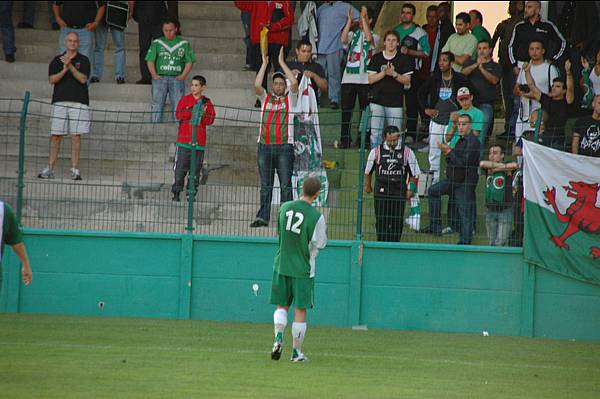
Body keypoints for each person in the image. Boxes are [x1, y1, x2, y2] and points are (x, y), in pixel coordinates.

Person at [269, 176, 327, 363]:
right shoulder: (316, 217)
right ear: (318, 194)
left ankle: (278, 338)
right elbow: (321, 243)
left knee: (281, 305)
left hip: (282, 264)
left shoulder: (284, 207)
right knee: (300, 309)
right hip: (303, 268)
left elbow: (280, 233)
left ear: (301, 189)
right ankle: (296, 353)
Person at [251, 48, 299, 228]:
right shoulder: (265, 98)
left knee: (286, 185)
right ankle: (262, 217)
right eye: (276, 83)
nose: (278, 86)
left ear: (284, 87)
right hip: (264, 146)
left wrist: (282, 63)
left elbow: (294, 83)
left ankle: (288, 219)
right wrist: (264, 64)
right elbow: (257, 86)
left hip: (285, 147)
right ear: (272, 86)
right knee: (266, 185)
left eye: (281, 83)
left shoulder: (291, 100)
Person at [38, 32, 90, 181]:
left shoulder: (84, 60)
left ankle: (75, 169)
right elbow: (52, 79)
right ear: (65, 42)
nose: (72, 43)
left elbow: (82, 79)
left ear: (78, 43)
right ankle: (50, 168)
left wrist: (70, 66)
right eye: (70, 40)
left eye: (75, 41)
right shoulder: (56, 60)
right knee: (56, 135)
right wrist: (65, 68)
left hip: (79, 101)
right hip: (60, 101)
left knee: (76, 136)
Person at [423, 114, 480, 245]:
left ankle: (465, 241)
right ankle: (435, 226)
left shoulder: (473, 142)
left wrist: (448, 152)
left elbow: (463, 163)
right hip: (453, 179)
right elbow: (452, 160)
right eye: (459, 124)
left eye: (464, 124)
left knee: (464, 211)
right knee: (432, 191)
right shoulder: (461, 140)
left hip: (465, 182)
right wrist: (448, 153)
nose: (460, 127)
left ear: (470, 126)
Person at [417, 51, 471, 183]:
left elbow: (472, 94)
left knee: (452, 152)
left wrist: (462, 110)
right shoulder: (434, 78)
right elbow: (420, 93)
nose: (441, 63)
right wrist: (426, 109)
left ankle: (451, 181)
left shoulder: (460, 79)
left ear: (451, 63)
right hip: (436, 120)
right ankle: (434, 182)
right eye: (440, 60)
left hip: (453, 122)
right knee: (434, 153)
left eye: (445, 60)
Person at [364, 126, 420, 242]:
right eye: (390, 140)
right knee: (381, 219)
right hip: (381, 190)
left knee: (397, 220)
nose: (392, 143)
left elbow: (415, 174)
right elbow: (368, 171)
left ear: (399, 137)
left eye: (395, 140)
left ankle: (395, 244)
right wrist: (368, 185)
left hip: (399, 190)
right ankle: (381, 244)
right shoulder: (376, 151)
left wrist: (411, 189)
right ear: (384, 138)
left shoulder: (407, 152)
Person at [234, 1, 295, 108]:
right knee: (261, 68)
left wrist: (275, 26)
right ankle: (261, 98)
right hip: (261, 39)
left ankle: (283, 97)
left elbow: (290, 19)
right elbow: (241, 4)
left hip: (278, 39)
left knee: (279, 69)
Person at [172, 75, 217, 202]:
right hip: (184, 141)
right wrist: (193, 111)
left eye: (196, 85)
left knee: (195, 171)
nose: (193, 88)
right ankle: (176, 191)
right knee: (180, 169)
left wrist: (203, 114)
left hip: (199, 142)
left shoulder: (207, 102)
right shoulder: (185, 100)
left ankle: (191, 193)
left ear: (203, 87)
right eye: (192, 85)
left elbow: (210, 120)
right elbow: (178, 114)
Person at [339, 6, 377, 149]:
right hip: (349, 78)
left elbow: (368, 38)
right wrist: (349, 21)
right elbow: (343, 39)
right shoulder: (352, 35)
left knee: (364, 111)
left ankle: (364, 139)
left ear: (370, 20)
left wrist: (363, 18)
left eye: (365, 18)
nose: (361, 21)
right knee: (346, 111)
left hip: (365, 79)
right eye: (360, 18)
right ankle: (345, 139)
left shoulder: (376, 36)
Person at [367, 30, 412, 149]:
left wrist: (394, 74)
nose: (391, 43)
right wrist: (384, 73)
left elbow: (407, 80)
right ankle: (375, 160)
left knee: (396, 133)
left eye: (394, 40)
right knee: (375, 133)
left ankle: (396, 159)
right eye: (388, 40)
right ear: (384, 43)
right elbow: (370, 79)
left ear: (398, 43)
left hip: (395, 102)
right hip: (377, 101)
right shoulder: (376, 58)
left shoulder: (403, 59)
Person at [393, 3, 430, 144]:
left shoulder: (419, 32)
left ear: (413, 15)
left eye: (408, 13)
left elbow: (426, 53)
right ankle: (394, 133)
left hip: (412, 73)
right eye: (403, 12)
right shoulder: (395, 31)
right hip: (395, 72)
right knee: (395, 102)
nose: (405, 15)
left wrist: (409, 52)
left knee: (411, 104)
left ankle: (411, 133)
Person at [145, 19, 195, 123]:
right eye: (165, 30)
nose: (168, 33)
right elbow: (150, 60)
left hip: (176, 78)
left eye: (171, 30)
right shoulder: (157, 42)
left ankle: (178, 130)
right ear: (162, 30)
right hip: (160, 77)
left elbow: (189, 61)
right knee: (157, 103)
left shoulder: (183, 43)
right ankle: (155, 128)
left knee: (178, 105)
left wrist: (183, 75)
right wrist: (154, 75)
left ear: (176, 29)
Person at [521, 60, 574, 150]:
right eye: (553, 86)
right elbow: (532, 86)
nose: (553, 88)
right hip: (544, 136)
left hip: (559, 140)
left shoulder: (566, 101)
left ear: (563, 91)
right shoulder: (546, 99)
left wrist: (568, 73)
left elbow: (570, 87)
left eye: (557, 86)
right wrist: (527, 71)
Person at [316, 1, 359, 109]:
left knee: (334, 73)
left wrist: (347, 27)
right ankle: (316, 98)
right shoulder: (321, 8)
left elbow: (359, 19)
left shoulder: (345, 6)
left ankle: (334, 99)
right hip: (320, 46)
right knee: (319, 73)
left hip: (335, 45)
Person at [513, 40, 559, 141]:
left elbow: (555, 93)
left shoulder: (550, 68)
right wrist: (522, 92)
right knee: (519, 146)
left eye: (537, 49)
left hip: (540, 115)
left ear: (543, 51)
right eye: (531, 49)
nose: (534, 52)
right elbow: (516, 88)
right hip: (523, 114)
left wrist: (534, 95)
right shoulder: (525, 67)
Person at [492, 1, 524, 140]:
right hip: (504, 66)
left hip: (517, 66)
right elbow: (491, 43)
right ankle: (508, 127)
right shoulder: (503, 24)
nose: (512, 6)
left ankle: (513, 129)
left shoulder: (523, 24)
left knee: (516, 98)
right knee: (507, 99)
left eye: (516, 3)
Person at [461, 40, 502, 147]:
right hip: (469, 104)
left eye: (484, 48)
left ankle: (477, 158)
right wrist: (476, 65)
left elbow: (494, 80)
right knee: (464, 132)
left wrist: (481, 68)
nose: (482, 51)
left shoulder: (495, 66)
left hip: (486, 104)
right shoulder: (471, 63)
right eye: (479, 49)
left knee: (480, 133)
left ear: (490, 50)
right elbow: (462, 74)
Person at [508, 1, 566, 70]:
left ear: (538, 9)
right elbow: (511, 46)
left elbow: (562, 42)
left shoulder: (547, 26)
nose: (526, 10)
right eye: (525, 7)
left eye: (529, 7)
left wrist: (554, 59)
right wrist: (514, 65)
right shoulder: (519, 26)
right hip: (522, 65)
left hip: (542, 65)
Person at [479, 145, 518, 246]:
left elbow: (514, 165)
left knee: (501, 241)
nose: (491, 156)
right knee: (491, 242)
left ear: (502, 156)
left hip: (505, 210)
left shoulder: (507, 167)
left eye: (495, 153)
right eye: (490, 153)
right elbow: (482, 163)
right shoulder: (487, 167)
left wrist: (497, 168)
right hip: (490, 209)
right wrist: (500, 167)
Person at [91, 1, 132, 84]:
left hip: (117, 10)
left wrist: (130, 10)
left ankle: (120, 76)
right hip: (101, 12)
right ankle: (96, 75)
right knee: (99, 47)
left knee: (120, 47)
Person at [0, 201, 33, 294]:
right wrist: (25, 263)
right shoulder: (4, 210)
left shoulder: (4, 211)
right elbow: (16, 242)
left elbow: (16, 241)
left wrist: (25, 263)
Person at [132, 1, 167, 84]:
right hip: (144, 22)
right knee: (144, 49)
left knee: (159, 49)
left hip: (158, 22)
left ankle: (160, 74)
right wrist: (138, 17)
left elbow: (163, 5)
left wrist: (164, 19)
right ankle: (145, 77)